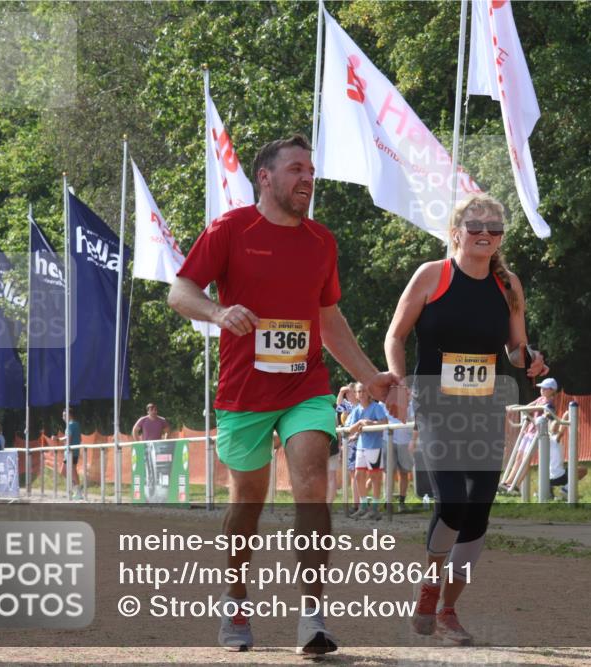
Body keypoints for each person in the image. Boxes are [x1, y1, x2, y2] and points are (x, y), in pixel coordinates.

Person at [167, 134, 401, 656]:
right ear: (265, 178)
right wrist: (218, 313)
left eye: (312, 171)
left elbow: (329, 318)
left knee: (313, 477)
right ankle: (235, 601)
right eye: (297, 169)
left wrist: (370, 376)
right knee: (246, 506)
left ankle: (312, 616)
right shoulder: (230, 230)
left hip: (305, 386)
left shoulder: (321, 241)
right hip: (245, 393)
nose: (308, 179)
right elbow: (180, 292)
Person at [384, 193, 548, 645]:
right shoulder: (432, 276)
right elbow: (395, 336)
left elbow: (515, 349)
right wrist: (399, 381)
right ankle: (428, 590)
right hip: (437, 406)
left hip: (485, 408)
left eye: (494, 228)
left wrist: (530, 359)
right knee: (452, 501)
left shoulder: (509, 285)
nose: (484, 234)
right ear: (455, 231)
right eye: (475, 226)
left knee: (478, 513)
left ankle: (448, 610)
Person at [345, 383, 389, 520]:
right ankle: (364, 506)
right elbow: (349, 429)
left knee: (375, 476)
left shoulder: (376, 407)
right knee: (358, 475)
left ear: (369, 393)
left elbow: (385, 422)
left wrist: (370, 423)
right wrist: (360, 423)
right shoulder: (356, 410)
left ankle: (375, 508)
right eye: (359, 391)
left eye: (364, 391)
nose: (362, 394)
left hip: (374, 446)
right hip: (361, 446)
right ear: (356, 395)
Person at [385, 403, 416, 513]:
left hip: (405, 440)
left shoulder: (409, 401)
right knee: (389, 472)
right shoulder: (383, 399)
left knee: (404, 472)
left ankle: (401, 502)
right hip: (387, 440)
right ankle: (388, 501)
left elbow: (414, 419)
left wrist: (413, 439)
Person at [55, 409, 82, 500]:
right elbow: (69, 437)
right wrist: (59, 440)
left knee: (72, 471)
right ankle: (76, 489)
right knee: (64, 471)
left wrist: (65, 444)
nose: (63, 417)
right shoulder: (75, 424)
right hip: (72, 451)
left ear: (69, 415)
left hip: (71, 452)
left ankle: (78, 491)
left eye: (64, 415)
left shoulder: (70, 425)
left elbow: (69, 439)